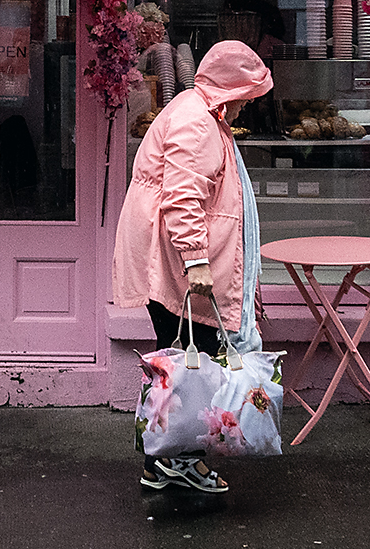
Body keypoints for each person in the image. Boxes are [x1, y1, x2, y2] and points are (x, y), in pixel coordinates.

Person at [110, 39, 274, 495]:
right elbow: (183, 197)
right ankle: (173, 460)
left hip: (173, 261)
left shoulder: (196, 110)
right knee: (187, 363)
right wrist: (198, 262)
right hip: (180, 266)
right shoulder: (197, 123)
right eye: (246, 96)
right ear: (232, 88)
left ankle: (163, 458)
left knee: (178, 361)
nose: (246, 106)